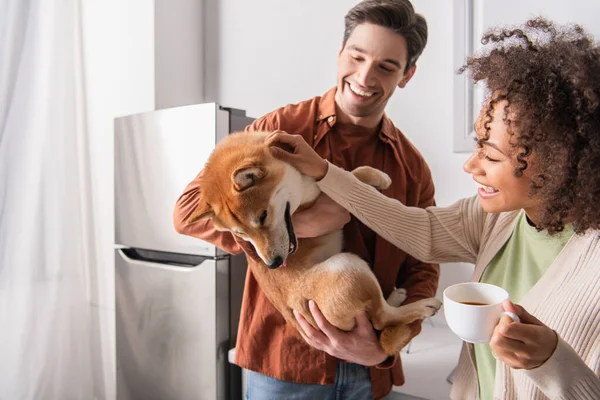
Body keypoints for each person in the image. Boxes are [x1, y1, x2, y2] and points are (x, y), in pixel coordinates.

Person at [266, 18, 600, 400]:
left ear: (555, 163)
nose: (470, 166)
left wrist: (551, 361)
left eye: (489, 155)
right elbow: (422, 231)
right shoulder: (498, 218)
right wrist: (326, 174)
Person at [173, 1, 440, 399]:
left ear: (407, 75)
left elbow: (425, 264)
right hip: (285, 366)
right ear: (339, 54)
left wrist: (382, 350)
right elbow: (187, 214)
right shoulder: (279, 131)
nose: (365, 76)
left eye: (386, 66)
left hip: (369, 372)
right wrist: (300, 224)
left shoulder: (411, 167)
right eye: (357, 56)